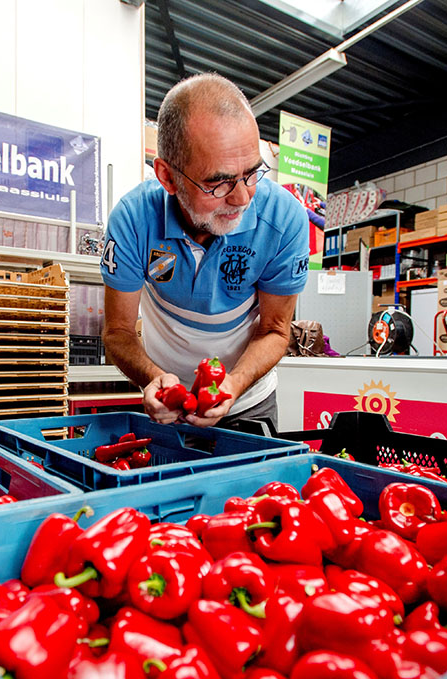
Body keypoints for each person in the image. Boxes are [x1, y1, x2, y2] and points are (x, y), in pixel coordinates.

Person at [100, 73, 310, 430]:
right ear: (167, 177)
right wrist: (153, 378)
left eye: (252, 172)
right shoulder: (134, 220)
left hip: (248, 402)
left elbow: (275, 329)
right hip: (166, 405)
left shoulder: (284, 220)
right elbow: (117, 331)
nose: (242, 198)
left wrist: (233, 385)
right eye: (219, 182)